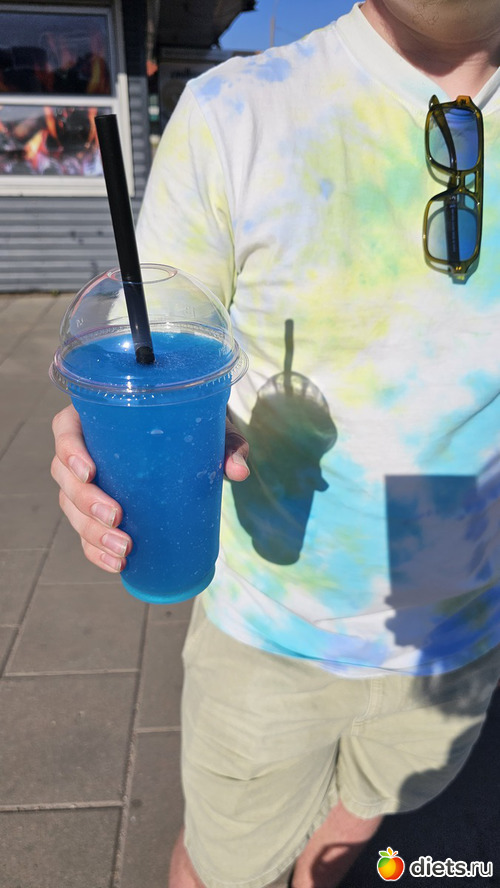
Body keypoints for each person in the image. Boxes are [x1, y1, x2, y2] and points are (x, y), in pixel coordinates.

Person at [51, 1, 500, 885]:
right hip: (270, 632)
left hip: (458, 629)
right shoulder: (239, 111)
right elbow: (154, 351)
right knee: (221, 868)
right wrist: (110, 438)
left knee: (352, 829)